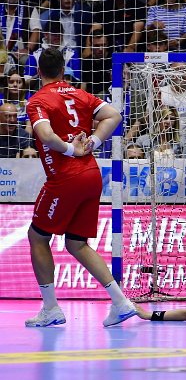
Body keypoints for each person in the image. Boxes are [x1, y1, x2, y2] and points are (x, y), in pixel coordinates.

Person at [24, 48, 136, 327]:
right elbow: (114, 115)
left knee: (37, 236)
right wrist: (94, 142)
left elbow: (46, 135)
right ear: (64, 70)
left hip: (66, 178)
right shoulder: (80, 94)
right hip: (92, 175)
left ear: (38, 72)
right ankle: (121, 303)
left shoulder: (38, 100)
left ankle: (51, 309)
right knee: (76, 243)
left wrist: (70, 150)